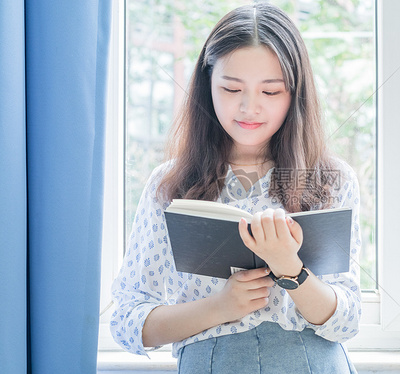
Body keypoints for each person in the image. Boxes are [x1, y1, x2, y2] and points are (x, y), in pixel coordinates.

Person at [110, 3, 362, 373]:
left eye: (271, 92)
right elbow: (128, 322)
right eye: (231, 88)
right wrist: (221, 306)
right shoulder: (171, 185)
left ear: (295, 95)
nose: (249, 108)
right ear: (207, 84)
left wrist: (289, 268)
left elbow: (349, 320)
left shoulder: (331, 180)